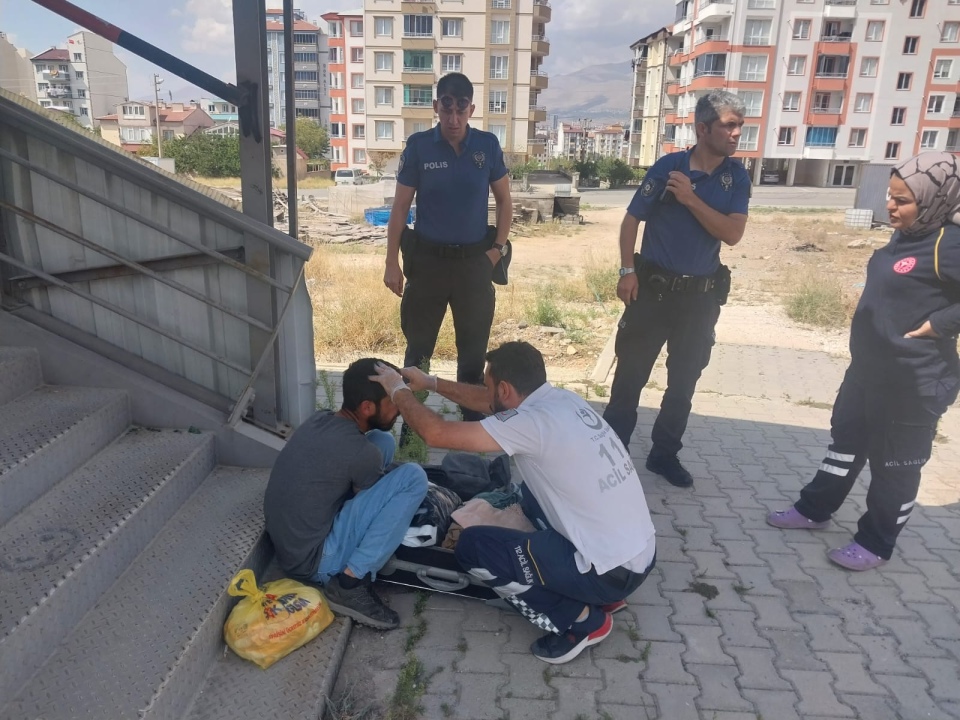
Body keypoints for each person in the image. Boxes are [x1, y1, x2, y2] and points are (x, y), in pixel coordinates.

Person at [369, 341, 657, 664]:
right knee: (530, 494)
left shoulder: (530, 424)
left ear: (505, 389)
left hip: (610, 573)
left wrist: (397, 391)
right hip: (638, 554)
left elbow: (437, 434)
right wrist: (429, 383)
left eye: (489, 385)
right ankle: (596, 591)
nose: (485, 393)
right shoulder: (562, 400)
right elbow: (488, 400)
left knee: (473, 547)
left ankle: (582, 621)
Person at [767, 152, 960, 570]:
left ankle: (877, 541)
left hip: (914, 382)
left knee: (895, 466)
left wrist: (939, 325)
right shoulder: (908, 235)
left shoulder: (949, 243)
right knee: (846, 444)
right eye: (891, 197)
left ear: (933, 200)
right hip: (868, 372)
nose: (890, 206)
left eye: (902, 200)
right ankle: (815, 510)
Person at [602, 89, 750, 488]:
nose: (737, 134)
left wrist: (691, 199)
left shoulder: (736, 176)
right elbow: (632, 219)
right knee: (628, 379)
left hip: (699, 300)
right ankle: (611, 456)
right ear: (703, 129)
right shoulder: (668, 168)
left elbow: (732, 234)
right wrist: (626, 270)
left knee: (683, 383)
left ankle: (664, 456)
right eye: (729, 125)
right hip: (652, 293)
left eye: (740, 126)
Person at [384, 72, 513, 428]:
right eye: (446, 109)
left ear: (471, 109)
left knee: (472, 355)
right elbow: (399, 209)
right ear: (436, 107)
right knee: (418, 351)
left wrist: (497, 250)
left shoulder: (487, 146)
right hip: (428, 265)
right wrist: (391, 262)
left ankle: (472, 428)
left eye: (461, 110)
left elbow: (505, 202)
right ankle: (412, 431)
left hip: (475, 264)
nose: (453, 119)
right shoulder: (419, 147)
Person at [263, 358, 428, 629]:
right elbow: (370, 491)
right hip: (317, 561)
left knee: (382, 441)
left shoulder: (321, 419)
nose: (399, 409)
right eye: (393, 402)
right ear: (367, 407)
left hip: (293, 546)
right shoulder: (359, 453)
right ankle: (350, 583)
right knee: (413, 478)